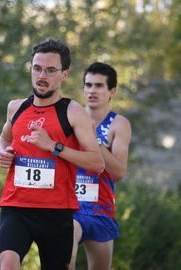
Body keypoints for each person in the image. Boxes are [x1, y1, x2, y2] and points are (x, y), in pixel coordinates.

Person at [0, 39, 105, 270]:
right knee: (7, 263)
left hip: (56, 212)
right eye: (37, 68)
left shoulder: (73, 112)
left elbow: (97, 163)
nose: (41, 75)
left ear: (64, 74)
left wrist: (54, 146)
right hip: (16, 206)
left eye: (50, 70)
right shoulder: (17, 108)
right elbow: (4, 137)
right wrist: (2, 152)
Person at [69, 62, 132, 270]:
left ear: (111, 91)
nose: (91, 91)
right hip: (70, 206)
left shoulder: (118, 124)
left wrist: (93, 140)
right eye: (88, 85)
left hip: (101, 209)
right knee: (63, 259)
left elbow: (119, 172)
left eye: (98, 86)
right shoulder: (70, 117)